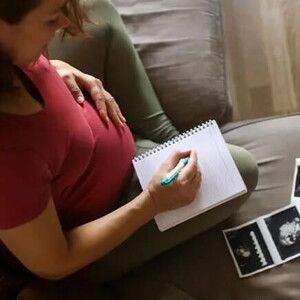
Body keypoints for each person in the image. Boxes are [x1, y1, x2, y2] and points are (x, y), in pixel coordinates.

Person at [0, 0, 258, 293]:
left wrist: (52, 67)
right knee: (241, 169)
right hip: (89, 234)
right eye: (49, 20)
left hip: (85, 147)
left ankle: (166, 138)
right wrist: (152, 202)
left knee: (98, 12)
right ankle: (167, 145)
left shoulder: (13, 50)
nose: (62, 24)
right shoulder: (9, 156)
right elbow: (54, 262)